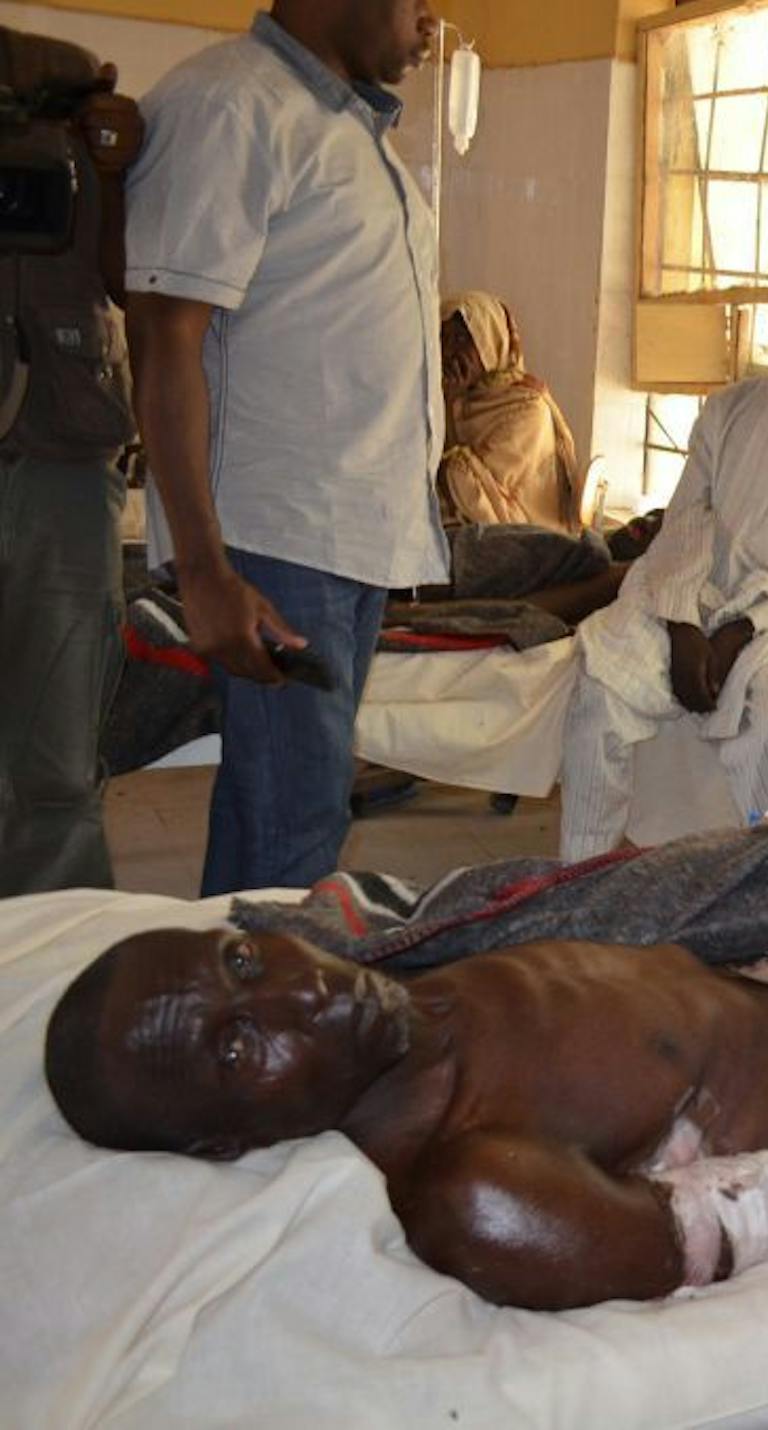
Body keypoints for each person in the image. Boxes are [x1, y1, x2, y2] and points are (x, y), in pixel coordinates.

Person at [41, 912, 768, 1311]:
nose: (298, 989)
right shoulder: (478, 1184)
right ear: (230, 1142)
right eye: (238, 1044)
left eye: (241, 961)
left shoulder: (402, 980)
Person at [125, 0, 444, 896]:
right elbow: (163, 340)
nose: (431, 21)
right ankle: (268, 985)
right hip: (278, 538)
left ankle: (236, 979)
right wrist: (205, 571)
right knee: (291, 826)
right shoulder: (231, 105)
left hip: (349, 533)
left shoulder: (350, 128)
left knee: (282, 815)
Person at [559, 258, 768, 856]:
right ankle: (581, 873)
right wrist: (683, 624)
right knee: (597, 689)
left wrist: (744, 628)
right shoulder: (728, 410)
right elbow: (684, 525)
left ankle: (756, 880)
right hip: (694, 597)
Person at [0, 27, 143, 895]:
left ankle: (53, 948)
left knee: (56, 762)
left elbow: (134, 280)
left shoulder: (85, 122)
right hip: (66, 453)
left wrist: (115, 173)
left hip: (65, 452)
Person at [438, 290, 586, 534]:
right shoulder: (446, 397)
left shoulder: (527, 408)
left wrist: (447, 402)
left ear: (491, 341)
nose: (450, 351)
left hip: (524, 545)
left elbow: (474, 496)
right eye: (444, 338)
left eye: (463, 339)